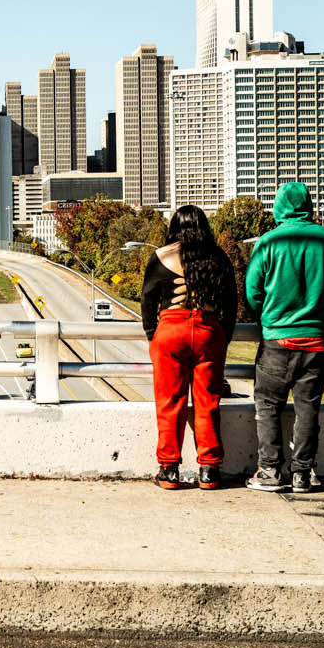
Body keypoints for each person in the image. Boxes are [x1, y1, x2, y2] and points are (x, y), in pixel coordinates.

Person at [242, 181, 324, 493]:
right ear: (308, 205)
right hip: (317, 340)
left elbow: (252, 293)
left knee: (267, 405)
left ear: (278, 207)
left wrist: (265, 318)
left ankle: (270, 471)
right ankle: (303, 474)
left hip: (277, 339)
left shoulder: (268, 242)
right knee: (308, 408)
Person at [140, 205, 239, 490]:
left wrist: (152, 334)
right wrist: (224, 335)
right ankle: (209, 469)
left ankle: (169, 469)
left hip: (171, 329)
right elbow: (231, 303)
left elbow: (148, 301)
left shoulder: (161, 256)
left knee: (171, 402)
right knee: (208, 401)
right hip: (209, 330)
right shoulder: (217, 257)